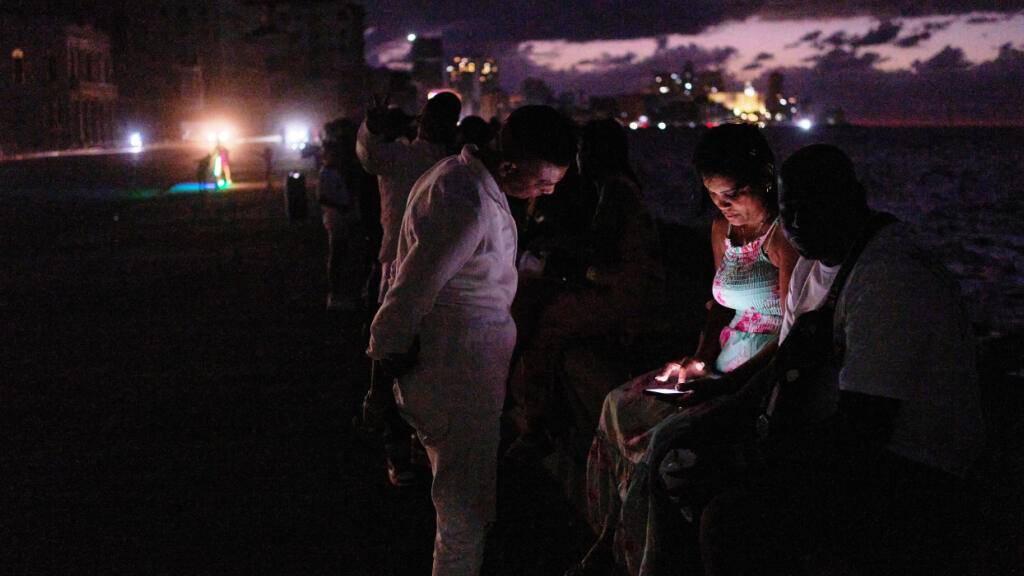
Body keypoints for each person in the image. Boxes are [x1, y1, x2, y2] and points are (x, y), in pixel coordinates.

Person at [697, 144, 985, 576]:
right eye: (789, 206)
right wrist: (719, 411)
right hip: (849, 447)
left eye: (813, 205)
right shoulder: (813, 268)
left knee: (729, 521)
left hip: (914, 469)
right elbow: (785, 364)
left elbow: (865, 427)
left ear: (855, 198)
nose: (795, 221)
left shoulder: (888, 277)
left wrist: (763, 461)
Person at [574, 123, 798, 575]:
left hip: (757, 370)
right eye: (714, 195)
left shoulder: (782, 238)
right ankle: (609, 535)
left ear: (765, 179)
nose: (724, 205)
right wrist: (697, 356)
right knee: (620, 404)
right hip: (722, 358)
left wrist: (730, 384)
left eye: (733, 193)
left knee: (662, 443)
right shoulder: (722, 231)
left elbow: (790, 332)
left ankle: (647, 559)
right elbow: (718, 307)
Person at [367, 105, 576, 575]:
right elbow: (406, 297)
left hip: (462, 380)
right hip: (453, 384)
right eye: (542, 184)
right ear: (508, 167)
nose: (547, 193)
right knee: (463, 518)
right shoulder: (466, 203)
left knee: (465, 508)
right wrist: (378, 387)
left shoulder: (460, 178)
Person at [506, 118, 664, 460]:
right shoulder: (620, 187)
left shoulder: (616, 191)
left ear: (595, 153)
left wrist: (555, 248)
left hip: (620, 299)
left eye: (581, 150)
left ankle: (534, 424)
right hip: (624, 292)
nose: (578, 158)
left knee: (544, 323)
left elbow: (601, 253)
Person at [357, 92, 462, 485]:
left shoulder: (447, 161)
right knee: (397, 358)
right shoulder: (406, 156)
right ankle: (399, 449)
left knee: (418, 361)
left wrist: (372, 130)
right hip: (402, 269)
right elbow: (370, 155)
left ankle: (410, 447)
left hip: (429, 271)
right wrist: (372, 128)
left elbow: (369, 154)